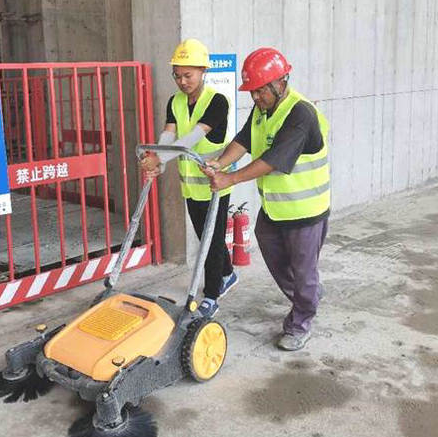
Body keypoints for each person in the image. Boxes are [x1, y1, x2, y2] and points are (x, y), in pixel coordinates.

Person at [203, 47, 330, 351]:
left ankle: (300, 322)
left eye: (260, 90)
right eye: (252, 92)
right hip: (275, 208)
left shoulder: (300, 114)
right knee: (278, 258)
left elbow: (273, 159)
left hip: (305, 211)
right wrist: (220, 163)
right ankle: (308, 295)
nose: (255, 97)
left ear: (280, 83)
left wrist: (230, 178)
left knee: (303, 269)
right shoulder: (262, 112)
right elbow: (243, 141)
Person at [139, 39, 238, 318]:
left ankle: (212, 294)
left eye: (188, 75)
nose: (182, 81)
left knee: (211, 239)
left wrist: (161, 158)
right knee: (204, 235)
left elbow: (195, 136)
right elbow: (169, 134)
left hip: (215, 183)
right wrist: (156, 157)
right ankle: (228, 273)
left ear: (202, 71)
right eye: (177, 75)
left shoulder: (217, 101)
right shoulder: (175, 101)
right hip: (191, 187)